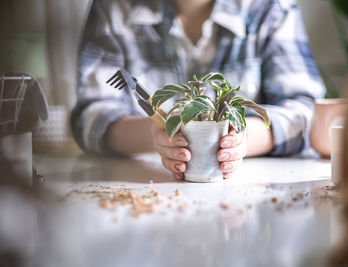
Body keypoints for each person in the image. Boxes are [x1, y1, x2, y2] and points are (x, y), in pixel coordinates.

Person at [71, 0, 325, 180]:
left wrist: (242, 140)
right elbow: (91, 117)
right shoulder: (114, 6)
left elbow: (308, 113)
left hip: (244, 197)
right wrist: (154, 133)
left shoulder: (270, 7)